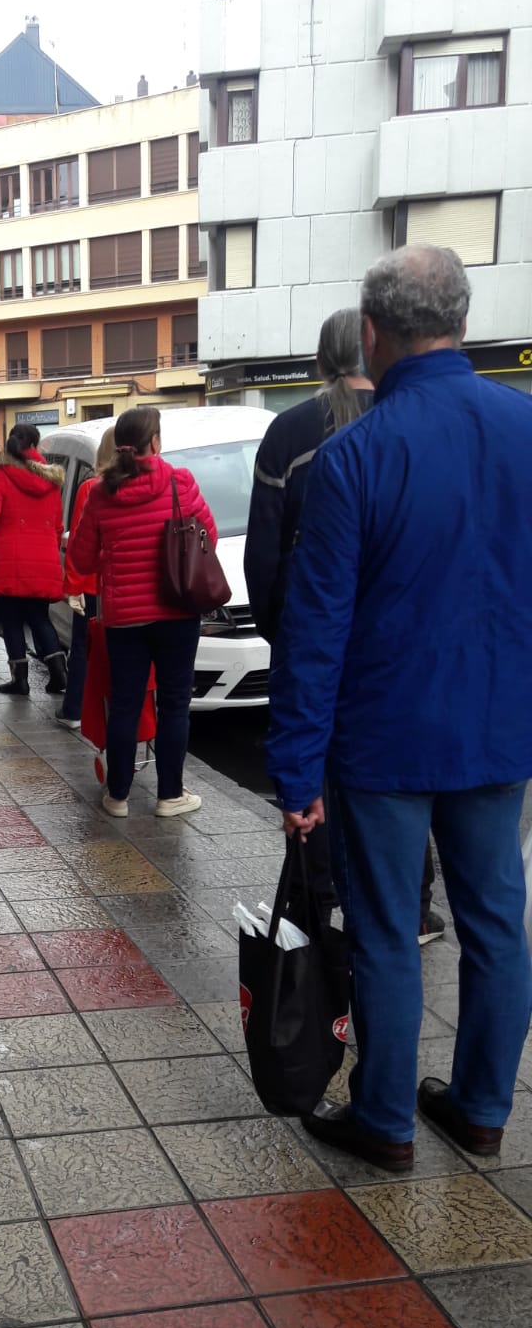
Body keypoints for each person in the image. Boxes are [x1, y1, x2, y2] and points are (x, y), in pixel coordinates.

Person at [268, 244, 532, 1170]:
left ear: (371, 335)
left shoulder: (355, 456)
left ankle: (383, 1121)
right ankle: (481, 1109)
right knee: (497, 921)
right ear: (462, 320)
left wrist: (296, 769)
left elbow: (317, 627)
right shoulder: (526, 426)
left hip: (381, 738)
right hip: (502, 729)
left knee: (386, 932)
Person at [246, 307, 445, 944]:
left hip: (321, 638)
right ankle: (414, 905)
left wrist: (284, 633)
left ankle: (319, 895)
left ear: (322, 357)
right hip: (400, 648)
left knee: (321, 771)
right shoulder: (411, 427)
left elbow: (265, 551)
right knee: (398, 779)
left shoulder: (293, 431)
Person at [70, 406, 215, 820]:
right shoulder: (180, 482)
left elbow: (80, 557)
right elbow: (209, 536)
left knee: (126, 704)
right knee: (174, 704)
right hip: (177, 611)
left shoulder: (100, 492)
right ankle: (170, 795)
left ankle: (117, 796)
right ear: (155, 442)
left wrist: (114, 562)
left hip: (124, 619)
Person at [0, 424, 67, 696]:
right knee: (39, 617)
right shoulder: (52, 480)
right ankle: (59, 674)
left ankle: (20, 679)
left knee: (12, 618)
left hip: (9, 558)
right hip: (44, 557)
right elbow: (59, 524)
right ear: (35, 446)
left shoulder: (0, 474)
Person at [56, 426, 116, 729]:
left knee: (82, 646)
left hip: (93, 584)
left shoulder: (90, 488)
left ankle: (75, 709)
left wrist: (74, 587)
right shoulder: (145, 485)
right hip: (124, 588)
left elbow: (79, 541)